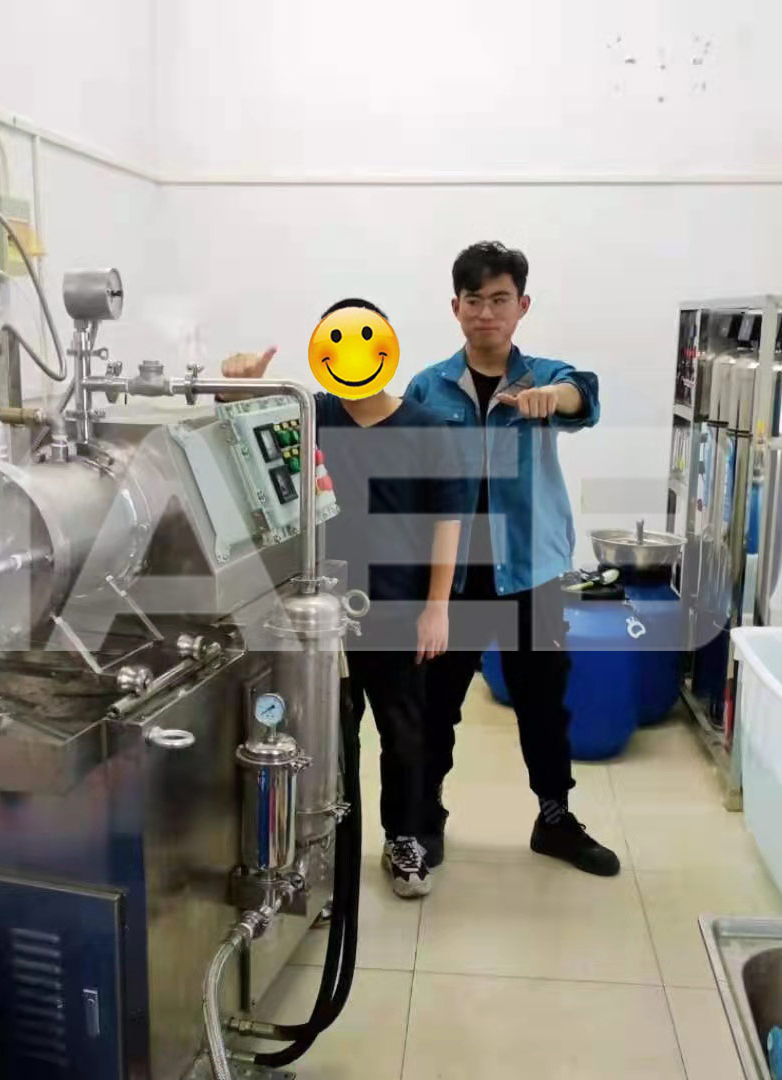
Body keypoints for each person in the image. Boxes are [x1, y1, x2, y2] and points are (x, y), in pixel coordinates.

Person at [222, 299, 466, 898]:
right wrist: (237, 386)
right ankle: (325, 856)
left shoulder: (428, 429)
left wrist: (437, 607)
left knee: (404, 733)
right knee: (325, 736)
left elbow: (447, 522)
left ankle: (403, 838)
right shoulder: (310, 415)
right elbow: (244, 426)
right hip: (318, 612)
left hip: (397, 608)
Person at [404, 241, 620, 877]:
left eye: (500, 299)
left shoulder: (544, 375)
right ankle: (425, 814)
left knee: (544, 703)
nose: (486, 313)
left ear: (522, 306)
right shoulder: (427, 387)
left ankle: (555, 819)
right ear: (455, 307)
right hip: (450, 580)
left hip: (529, 573)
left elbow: (585, 396)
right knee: (435, 706)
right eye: (474, 300)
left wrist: (556, 398)